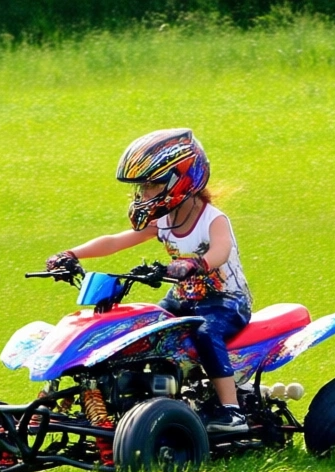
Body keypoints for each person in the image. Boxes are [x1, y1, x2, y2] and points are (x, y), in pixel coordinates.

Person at [46, 128, 253, 433]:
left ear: (180, 180)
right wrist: (71, 254)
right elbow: (114, 241)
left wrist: (195, 263)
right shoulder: (164, 221)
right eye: (141, 188)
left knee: (206, 333)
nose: (143, 196)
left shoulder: (213, 219)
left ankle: (231, 411)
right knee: (143, 330)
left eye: (151, 185)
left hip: (224, 301)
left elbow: (221, 251)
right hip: (183, 297)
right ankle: (142, 396)